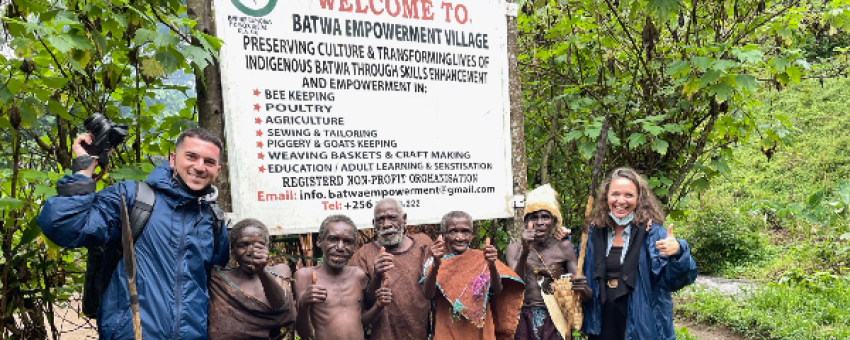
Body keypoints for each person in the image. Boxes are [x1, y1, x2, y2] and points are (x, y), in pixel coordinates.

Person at [38, 128, 230, 340]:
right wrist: (84, 168)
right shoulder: (133, 198)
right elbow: (64, 226)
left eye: (209, 162)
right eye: (191, 157)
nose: (199, 167)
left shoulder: (213, 219)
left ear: (218, 170)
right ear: (173, 159)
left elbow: (215, 285)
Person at [570, 167, 698, 340]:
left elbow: (674, 280)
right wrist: (563, 241)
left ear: (639, 199)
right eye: (615, 194)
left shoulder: (653, 233)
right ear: (606, 197)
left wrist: (678, 252)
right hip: (602, 321)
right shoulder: (594, 233)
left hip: (642, 323)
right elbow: (578, 267)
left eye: (629, 195)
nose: (621, 201)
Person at [421, 211, 525, 340]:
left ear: (472, 235)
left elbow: (498, 290)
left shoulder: (482, 258)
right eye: (453, 231)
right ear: (444, 236)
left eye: (465, 231)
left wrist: (492, 266)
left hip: (478, 331)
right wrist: (436, 264)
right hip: (447, 328)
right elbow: (427, 294)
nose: (459, 237)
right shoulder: (434, 261)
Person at [293, 214, 392, 340]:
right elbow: (304, 334)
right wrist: (303, 305)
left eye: (347, 242)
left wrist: (378, 307)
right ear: (319, 241)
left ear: (354, 247)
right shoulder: (305, 276)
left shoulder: (358, 275)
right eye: (333, 239)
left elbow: (359, 324)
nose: (340, 247)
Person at [348, 198, 433, 340]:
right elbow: (363, 304)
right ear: (374, 224)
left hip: (419, 333)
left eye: (392, 218)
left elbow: (431, 291)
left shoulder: (423, 244)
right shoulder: (363, 255)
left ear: (404, 219)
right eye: (380, 220)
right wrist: (376, 276)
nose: (387, 224)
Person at [506, 184, 578, 340]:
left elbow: (579, 285)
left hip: (556, 317)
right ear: (526, 222)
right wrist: (525, 251)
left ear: (553, 221)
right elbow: (514, 284)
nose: (540, 222)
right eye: (534, 217)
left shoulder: (564, 247)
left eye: (545, 217)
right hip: (523, 317)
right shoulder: (514, 249)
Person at [208, 218, 296, 340]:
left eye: (259, 245)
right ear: (232, 249)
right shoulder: (217, 279)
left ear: (267, 248)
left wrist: (262, 271)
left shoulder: (280, 271)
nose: (250, 252)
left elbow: (280, 305)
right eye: (243, 245)